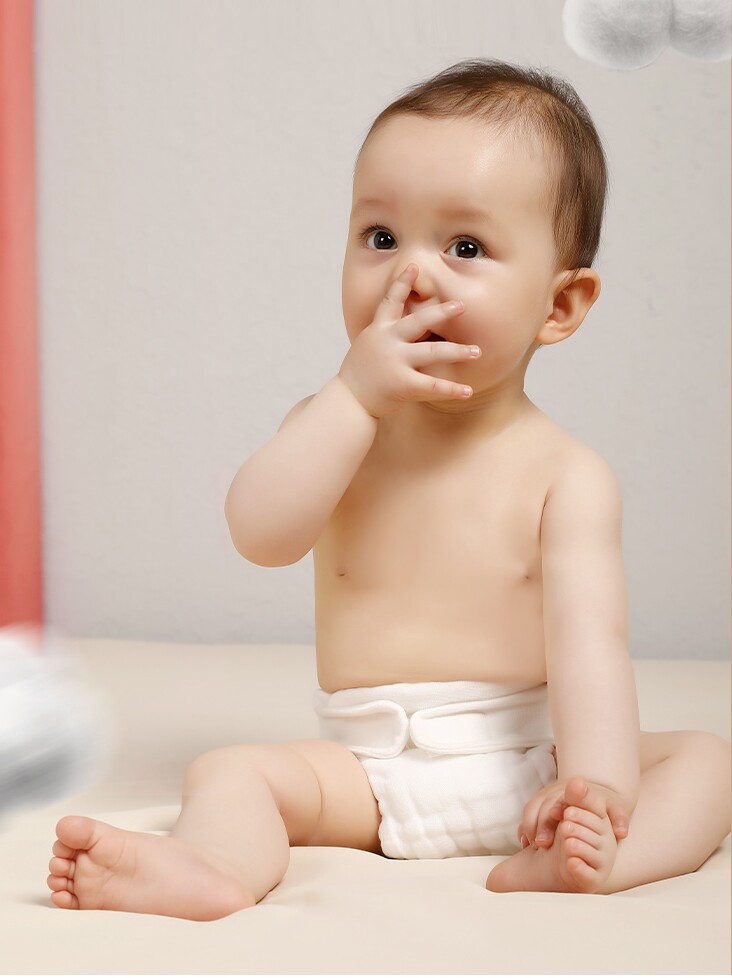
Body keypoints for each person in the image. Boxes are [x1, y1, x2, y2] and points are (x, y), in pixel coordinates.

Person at [47, 59, 731, 921]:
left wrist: (594, 787)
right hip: (364, 777)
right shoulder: (333, 428)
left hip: (531, 768)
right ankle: (215, 868)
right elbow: (260, 535)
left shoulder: (567, 474)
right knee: (229, 772)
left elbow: (590, 644)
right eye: (380, 237)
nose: (413, 275)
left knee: (708, 762)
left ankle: (596, 859)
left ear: (559, 307)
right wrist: (351, 400)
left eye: (465, 247)